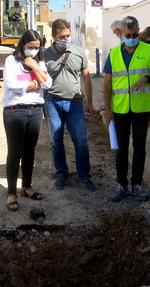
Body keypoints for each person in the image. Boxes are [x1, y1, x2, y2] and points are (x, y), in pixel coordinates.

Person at [103, 16, 150, 202]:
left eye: (135, 34)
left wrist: (146, 78)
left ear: (139, 30)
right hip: (120, 109)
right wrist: (107, 109)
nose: (132, 37)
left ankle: (136, 184)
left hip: (141, 109)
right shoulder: (113, 53)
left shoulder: (148, 50)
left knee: (139, 146)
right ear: (122, 33)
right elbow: (107, 83)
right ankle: (122, 185)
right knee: (121, 148)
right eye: (128, 35)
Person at [43, 19, 96, 191]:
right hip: (52, 102)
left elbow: (86, 77)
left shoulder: (79, 52)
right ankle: (61, 174)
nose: (66, 39)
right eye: (62, 36)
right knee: (55, 140)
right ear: (53, 36)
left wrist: (90, 101)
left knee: (80, 141)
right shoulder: (44, 55)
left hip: (75, 103)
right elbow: (40, 79)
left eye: (68, 36)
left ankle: (85, 175)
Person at [2, 30, 52, 212]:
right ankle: (11, 193)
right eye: (30, 47)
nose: (33, 50)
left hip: (35, 111)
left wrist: (35, 67)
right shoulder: (11, 61)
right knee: (15, 152)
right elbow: (10, 84)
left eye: (37, 48)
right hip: (15, 111)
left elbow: (47, 84)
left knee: (30, 151)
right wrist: (31, 84)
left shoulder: (39, 62)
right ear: (23, 45)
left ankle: (27, 187)